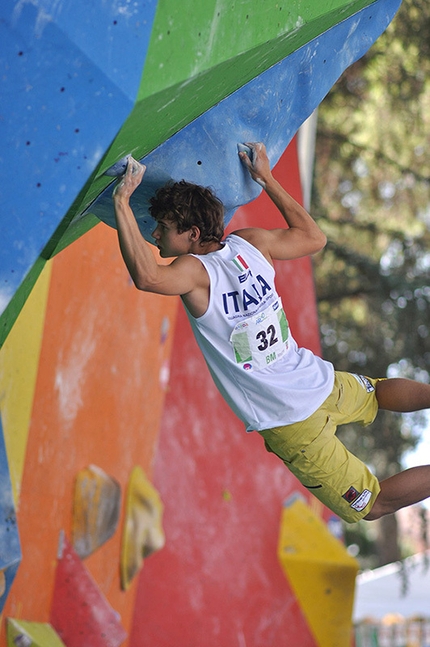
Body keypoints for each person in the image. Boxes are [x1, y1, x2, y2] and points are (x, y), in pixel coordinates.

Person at [111, 142, 430, 524]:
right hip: (317, 380)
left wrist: (122, 201)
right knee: (376, 392)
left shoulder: (193, 272)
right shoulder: (250, 243)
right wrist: (267, 179)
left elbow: (147, 277)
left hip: (290, 422)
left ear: (193, 234)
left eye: (162, 228)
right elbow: (314, 238)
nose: (155, 235)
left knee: (372, 505)